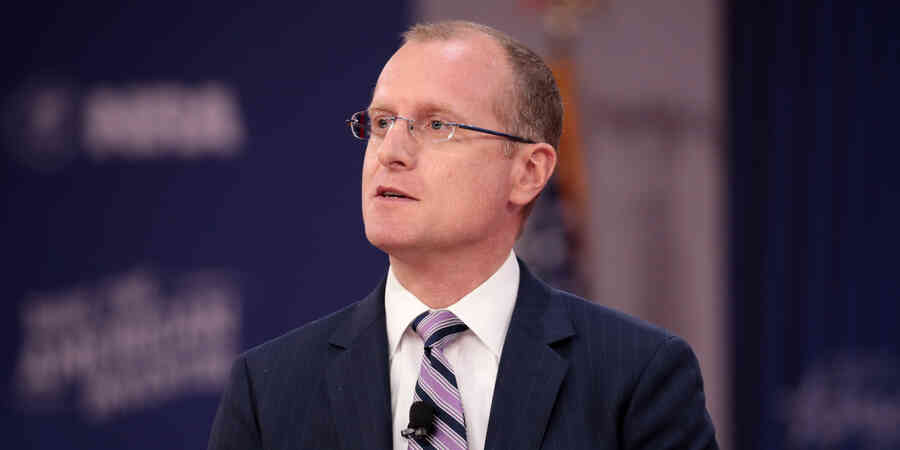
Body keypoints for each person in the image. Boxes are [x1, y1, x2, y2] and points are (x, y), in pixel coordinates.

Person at [207, 20, 718, 450]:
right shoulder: (270, 390)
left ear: (528, 172)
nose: (391, 152)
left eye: (437, 126)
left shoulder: (637, 377)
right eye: (382, 123)